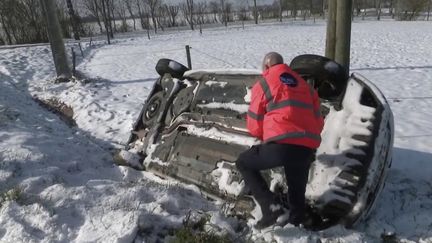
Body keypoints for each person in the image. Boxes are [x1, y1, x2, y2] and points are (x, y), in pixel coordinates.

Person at [236, 52, 324, 229]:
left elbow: (254, 124)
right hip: (306, 147)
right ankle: (296, 225)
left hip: (280, 145)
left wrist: (267, 136)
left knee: (243, 163)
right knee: (297, 189)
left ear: (267, 66)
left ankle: (270, 208)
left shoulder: (264, 83)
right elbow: (319, 121)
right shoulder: (306, 87)